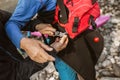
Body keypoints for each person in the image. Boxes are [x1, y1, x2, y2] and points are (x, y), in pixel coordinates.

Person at [4, 0, 78, 80]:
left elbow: (6, 18)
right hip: (63, 48)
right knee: (67, 71)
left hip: (84, 37)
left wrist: (36, 25)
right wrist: (22, 42)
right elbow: (13, 23)